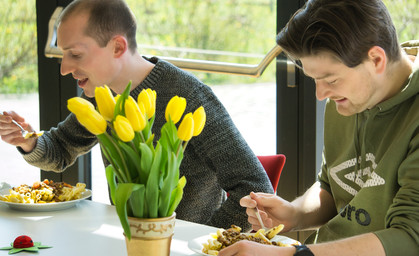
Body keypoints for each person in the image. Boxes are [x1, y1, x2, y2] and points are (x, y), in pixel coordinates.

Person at [0, 0, 273, 229]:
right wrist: (28, 141)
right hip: (128, 241)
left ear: (117, 47)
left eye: (75, 55)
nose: (64, 68)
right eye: (63, 55)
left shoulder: (188, 96)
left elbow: (255, 187)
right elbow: (60, 149)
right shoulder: (102, 95)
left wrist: (199, 239)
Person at [219, 0, 419, 256]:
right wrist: (294, 214)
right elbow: (331, 187)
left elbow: (409, 239)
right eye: (314, 80)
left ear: (377, 59)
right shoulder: (348, 99)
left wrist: (293, 255)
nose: (320, 94)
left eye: (331, 79)